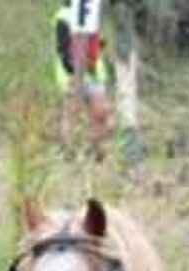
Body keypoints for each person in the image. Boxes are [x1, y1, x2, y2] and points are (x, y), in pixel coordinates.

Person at [54, 0, 115, 159]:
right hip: (72, 74)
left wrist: (99, 46)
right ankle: (67, 152)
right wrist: (73, 72)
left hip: (95, 73)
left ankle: (96, 151)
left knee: (100, 113)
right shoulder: (64, 17)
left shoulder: (92, 12)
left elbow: (95, 43)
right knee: (71, 113)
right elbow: (63, 49)